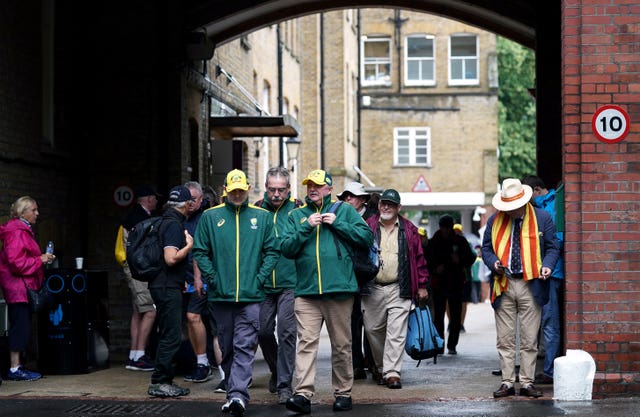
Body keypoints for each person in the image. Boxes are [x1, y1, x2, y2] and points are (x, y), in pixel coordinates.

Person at [280, 169, 374, 414]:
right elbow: (287, 248)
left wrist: (339, 224)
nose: (313, 188)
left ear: (329, 189)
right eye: (310, 184)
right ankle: (302, 395)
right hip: (307, 291)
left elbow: (365, 238)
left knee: (342, 344)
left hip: (339, 290)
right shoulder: (297, 215)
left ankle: (343, 393)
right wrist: (305, 228)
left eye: (318, 185)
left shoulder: (344, 211)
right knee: (306, 344)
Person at [193, 169, 280, 417]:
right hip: (221, 296)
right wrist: (213, 279)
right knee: (227, 346)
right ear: (226, 190)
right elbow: (200, 251)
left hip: (251, 298)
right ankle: (234, 390)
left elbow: (273, 251)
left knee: (246, 344)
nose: (238, 194)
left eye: (242, 190)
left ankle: (238, 396)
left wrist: (260, 279)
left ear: (248, 188)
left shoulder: (261, 218)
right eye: (234, 190)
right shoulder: (211, 217)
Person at [481, 178, 559, 399]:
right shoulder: (496, 220)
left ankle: (526, 382)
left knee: (528, 339)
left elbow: (553, 247)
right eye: (507, 207)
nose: (510, 211)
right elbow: (486, 249)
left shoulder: (543, 218)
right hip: (503, 283)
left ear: (523, 202)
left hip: (531, 283)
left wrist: (547, 265)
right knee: (505, 339)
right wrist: (493, 261)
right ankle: (507, 382)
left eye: (513, 207)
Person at [362, 189, 429, 389]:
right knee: (373, 330)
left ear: (399, 208)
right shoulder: (368, 226)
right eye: (384, 203)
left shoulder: (410, 230)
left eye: (391, 204)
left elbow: (419, 260)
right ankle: (382, 367)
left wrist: (422, 285)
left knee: (396, 332)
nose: (386, 207)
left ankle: (392, 372)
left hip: (400, 288)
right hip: (372, 287)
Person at [254, 167, 301, 404]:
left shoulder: (297, 211)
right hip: (262, 284)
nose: (276, 194)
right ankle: (276, 369)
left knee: (287, 332)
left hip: (290, 283)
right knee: (262, 330)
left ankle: (284, 384)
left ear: (289, 189)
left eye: (281, 190)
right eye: (272, 189)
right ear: (265, 187)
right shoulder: (256, 210)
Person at [0, 196, 55, 381]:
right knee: (20, 326)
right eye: (34, 210)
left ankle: (17, 366)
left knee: (21, 325)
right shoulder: (17, 232)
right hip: (18, 288)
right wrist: (40, 259)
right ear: (22, 212)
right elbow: (16, 263)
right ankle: (15, 369)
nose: (37, 213)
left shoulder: (22, 229)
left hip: (21, 287)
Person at [146, 185, 194, 398]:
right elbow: (170, 258)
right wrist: (189, 246)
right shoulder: (174, 225)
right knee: (172, 335)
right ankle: (160, 382)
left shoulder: (164, 220)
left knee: (168, 333)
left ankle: (164, 380)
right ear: (187, 205)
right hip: (166, 288)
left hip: (164, 284)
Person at [521, 175, 565, 385]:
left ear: (537, 190)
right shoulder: (538, 208)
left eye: (529, 196)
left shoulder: (555, 205)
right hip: (534, 272)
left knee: (549, 323)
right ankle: (544, 368)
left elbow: (558, 240)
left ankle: (550, 371)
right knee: (536, 322)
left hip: (550, 274)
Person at [336, 181, 374, 381]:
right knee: (352, 324)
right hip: (349, 278)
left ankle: (373, 363)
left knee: (372, 324)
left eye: (351, 195)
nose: (347, 199)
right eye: (345, 196)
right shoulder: (338, 216)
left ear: (363, 199)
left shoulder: (372, 218)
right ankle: (356, 366)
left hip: (370, 277)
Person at [182, 181, 218, 384]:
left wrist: (198, 278)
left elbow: (199, 250)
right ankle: (201, 361)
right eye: (187, 199)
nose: (190, 203)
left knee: (195, 317)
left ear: (202, 199)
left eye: (193, 199)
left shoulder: (205, 218)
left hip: (203, 277)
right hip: (186, 277)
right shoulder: (183, 217)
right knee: (191, 319)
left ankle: (206, 364)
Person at [121, 186, 161, 372]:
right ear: (147, 199)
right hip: (138, 271)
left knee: (138, 311)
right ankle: (139, 355)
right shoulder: (141, 219)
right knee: (150, 310)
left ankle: (133, 354)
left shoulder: (130, 217)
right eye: (154, 198)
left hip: (132, 270)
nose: (156, 202)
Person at [425, 215, 476, 355]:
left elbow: (471, 258)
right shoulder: (433, 242)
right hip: (439, 284)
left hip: (455, 282)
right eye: (444, 227)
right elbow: (426, 261)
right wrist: (435, 269)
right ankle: (440, 344)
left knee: (455, 316)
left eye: (448, 227)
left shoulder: (459, 241)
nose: (446, 230)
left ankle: (452, 345)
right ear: (440, 227)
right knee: (438, 317)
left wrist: (459, 259)